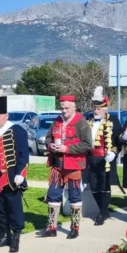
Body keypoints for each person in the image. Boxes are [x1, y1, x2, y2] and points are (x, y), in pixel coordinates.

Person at [41, 95, 92, 239]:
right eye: (62, 108)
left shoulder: (81, 122)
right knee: (53, 194)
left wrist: (67, 149)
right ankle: (52, 227)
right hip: (57, 165)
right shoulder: (57, 121)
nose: (64, 111)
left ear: (74, 107)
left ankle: (75, 228)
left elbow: (88, 144)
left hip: (73, 165)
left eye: (67, 108)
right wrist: (50, 145)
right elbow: (48, 138)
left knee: (74, 196)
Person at [0, 96, 29, 253]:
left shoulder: (17, 130)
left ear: (6, 116)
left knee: (14, 208)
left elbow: (23, 154)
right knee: (0, 207)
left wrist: (21, 174)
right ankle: (5, 236)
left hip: (11, 177)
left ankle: (16, 237)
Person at [84, 87, 122, 226]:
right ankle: (103, 210)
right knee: (94, 186)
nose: (96, 111)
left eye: (99, 109)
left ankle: (102, 213)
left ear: (105, 109)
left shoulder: (113, 120)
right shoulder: (88, 119)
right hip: (91, 158)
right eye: (95, 108)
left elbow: (118, 139)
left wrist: (114, 152)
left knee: (105, 185)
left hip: (106, 158)